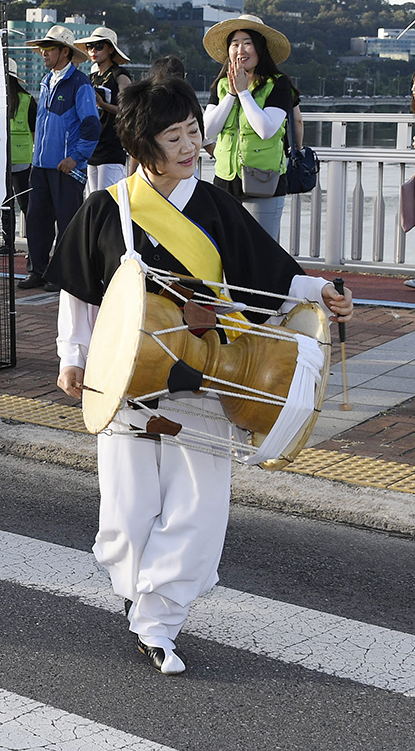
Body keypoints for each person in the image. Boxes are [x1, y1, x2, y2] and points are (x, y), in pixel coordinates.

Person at [48, 76, 353, 675]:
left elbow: (268, 270)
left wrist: (322, 290)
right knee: (128, 510)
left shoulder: (213, 203)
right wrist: (71, 355)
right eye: (174, 136)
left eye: (193, 131)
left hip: (210, 378)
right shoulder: (105, 210)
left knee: (198, 507)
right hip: (129, 383)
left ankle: (159, 620)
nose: (190, 146)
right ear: (140, 148)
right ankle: (139, 589)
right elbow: (79, 294)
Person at [20, 25, 100, 291]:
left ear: (65, 52)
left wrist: (75, 158)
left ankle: (62, 274)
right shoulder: (47, 80)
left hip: (65, 167)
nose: (43, 53)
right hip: (41, 165)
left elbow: (92, 125)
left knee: (67, 223)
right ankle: (38, 271)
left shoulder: (80, 83)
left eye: (48, 48)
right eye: (42, 48)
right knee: (36, 220)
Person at [201, 15, 296, 240]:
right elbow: (208, 131)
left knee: (262, 249)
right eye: (234, 44)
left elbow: (266, 129)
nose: (240, 49)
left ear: (260, 48)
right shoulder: (222, 85)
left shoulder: (278, 84)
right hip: (225, 181)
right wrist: (232, 93)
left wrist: (244, 92)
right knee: (227, 250)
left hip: (264, 180)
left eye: (247, 42)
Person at [76, 26, 133, 192]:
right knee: (94, 199)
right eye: (90, 47)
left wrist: (103, 104)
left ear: (110, 49)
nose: (93, 50)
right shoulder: (91, 78)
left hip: (111, 148)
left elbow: (128, 110)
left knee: (109, 200)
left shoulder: (119, 75)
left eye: (99, 46)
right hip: (92, 147)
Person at [5, 59, 37, 253]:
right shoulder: (27, 99)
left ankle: (12, 244)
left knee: (12, 203)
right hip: (22, 158)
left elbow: (33, 131)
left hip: (10, 160)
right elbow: (34, 132)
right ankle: (28, 245)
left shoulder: (24, 100)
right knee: (22, 204)